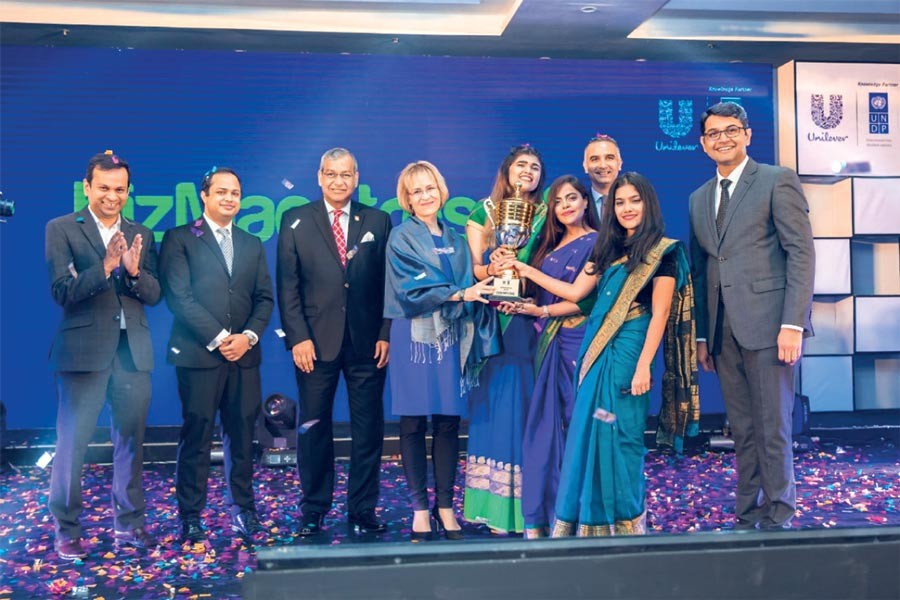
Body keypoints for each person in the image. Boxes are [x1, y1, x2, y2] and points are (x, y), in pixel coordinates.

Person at [515, 172, 698, 536]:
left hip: (629, 359)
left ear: (648, 204)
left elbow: (660, 313)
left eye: (634, 200)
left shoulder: (663, 251)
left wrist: (644, 364)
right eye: (619, 202)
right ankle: (589, 522)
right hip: (595, 357)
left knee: (621, 431)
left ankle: (627, 522)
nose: (627, 208)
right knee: (590, 426)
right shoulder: (607, 248)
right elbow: (577, 293)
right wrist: (525, 271)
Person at [690, 102, 815, 530]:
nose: (722, 138)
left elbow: (800, 253)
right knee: (742, 428)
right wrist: (703, 337)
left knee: (772, 426)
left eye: (731, 130)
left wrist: (792, 323)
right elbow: (704, 268)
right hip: (723, 333)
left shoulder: (777, 181)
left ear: (746, 135)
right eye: (713, 133)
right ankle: (748, 510)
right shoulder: (699, 198)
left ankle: (780, 510)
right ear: (704, 144)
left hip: (770, 326)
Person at [45, 151, 162, 559]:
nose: (113, 196)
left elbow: (155, 294)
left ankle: (129, 525)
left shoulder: (141, 231)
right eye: (104, 188)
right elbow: (62, 291)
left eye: (120, 189)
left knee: (130, 443)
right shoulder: (61, 229)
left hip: (132, 355)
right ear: (87, 188)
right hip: (83, 354)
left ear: (128, 191)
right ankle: (67, 528)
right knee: (72, 443)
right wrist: (107, 266)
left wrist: (131, 271)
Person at [277, 148, 392, 536]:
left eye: (346, 174)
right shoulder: (295, 219)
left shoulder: (378, 219)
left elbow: (387, 286)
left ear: (356, 177)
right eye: (331, 174)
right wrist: (298, 338)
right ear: (319, 176)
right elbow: (287, 286)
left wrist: (385, 333)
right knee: (313, 429)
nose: (338, 181)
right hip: (314, 345)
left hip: (367, 344)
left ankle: (362, 508)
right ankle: (314, 508)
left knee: (368, 431)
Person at [384, 161, 499, 541]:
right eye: (416, 191)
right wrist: (459, 292)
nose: (425, 196)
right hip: (413, 339)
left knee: (448, 422)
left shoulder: (458, 236)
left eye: (430, 187)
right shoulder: (400, 236)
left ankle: (445, 506)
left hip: (453, 334)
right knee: (414, 422)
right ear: (407, 198)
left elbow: (470, 280)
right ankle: (420, 508)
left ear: (441, 190)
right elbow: (411, 289)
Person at [159, 167, 274, 543]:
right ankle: (190, 515)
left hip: (244, 357)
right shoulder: (179, 238)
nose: (229, 198)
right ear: (204, 196)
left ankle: (244, 511)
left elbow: (264, 298)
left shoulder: (252, 243)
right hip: (198, 356)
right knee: (197, 436)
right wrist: (223, 337)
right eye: (221, 191)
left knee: (242, 437)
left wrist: (248, 337)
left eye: (236, 193)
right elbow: (179, 297)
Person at [507, 175, 599, 539]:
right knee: (545, 428)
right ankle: (544, 516)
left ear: (585, 202)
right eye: (558, 201)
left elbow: (580, 295)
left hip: (577, 342)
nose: (566, 206)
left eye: (572, 198)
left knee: (575, 425)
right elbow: (548, 296)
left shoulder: (597, 244)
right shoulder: (553, 246)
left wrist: (538, 298)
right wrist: (530, 305)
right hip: (547, 345)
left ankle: (579, 515)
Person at [463, 144, 546, 534]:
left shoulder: (549, 213)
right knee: (495, 409)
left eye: (534, 167)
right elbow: (475, 269)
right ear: (506, 170)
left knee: (530, 408)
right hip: (493, 324)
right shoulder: (483, 213)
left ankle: (530, 505)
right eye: (520, 165)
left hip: (534, 323)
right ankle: (494, 509)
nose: (527, 171)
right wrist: (492, 268)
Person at [583, 134, 623, 215]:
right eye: (595, 159)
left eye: (609, 158)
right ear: (585, 166)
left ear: (620, 164)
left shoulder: (636, 203)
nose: (603, 166)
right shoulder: (577, 206)